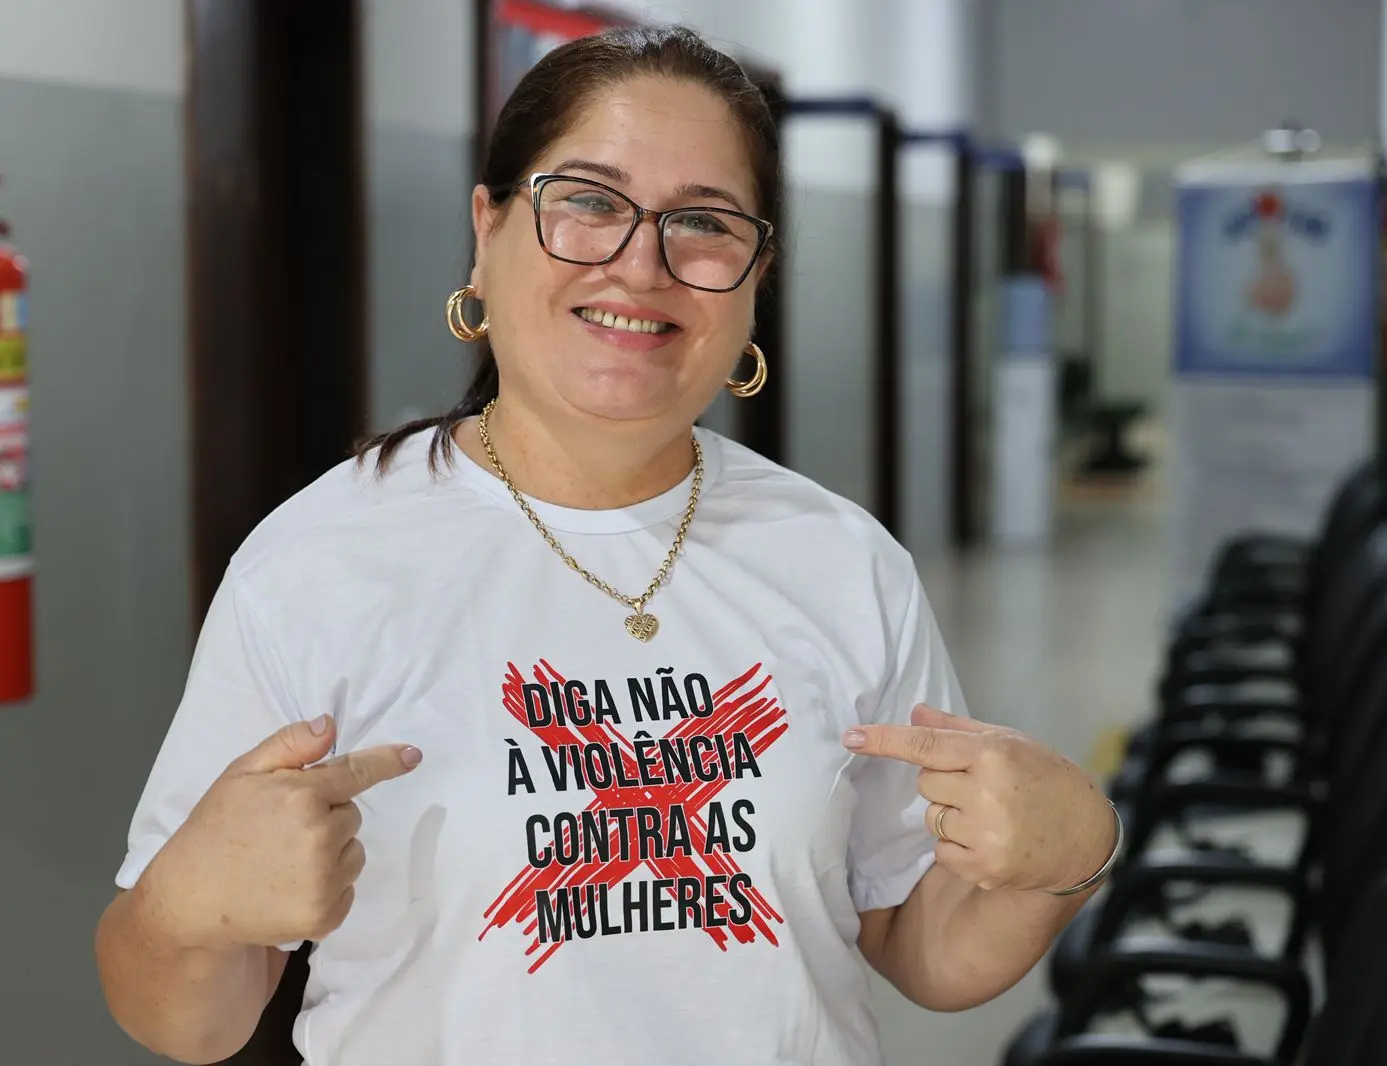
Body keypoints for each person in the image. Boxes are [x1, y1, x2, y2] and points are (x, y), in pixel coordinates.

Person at [95, 25, 1120, 1066]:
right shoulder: (318, 563)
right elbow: (190, 1018)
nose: (641, 265)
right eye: (586, 201)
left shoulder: (840, 560)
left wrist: (1067, 860)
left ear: (755, 275)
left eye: (704, 223)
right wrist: (185, 909)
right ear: (485, 229)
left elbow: (914, 938)